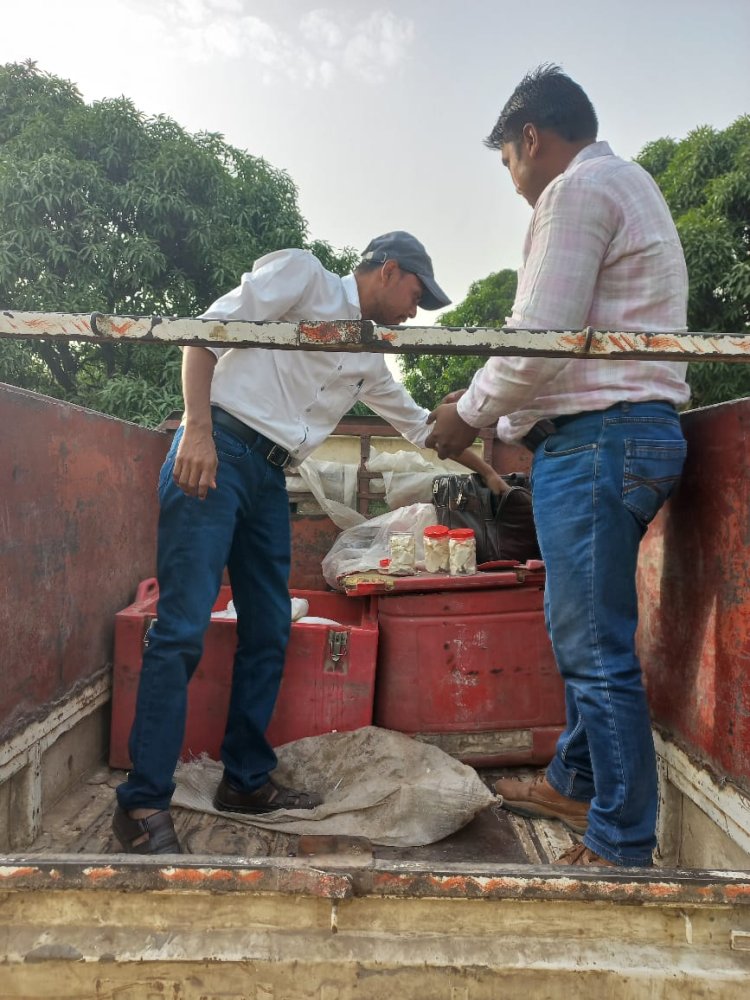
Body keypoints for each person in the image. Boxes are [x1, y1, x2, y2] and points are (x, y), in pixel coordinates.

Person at [112, 231, 459, 854]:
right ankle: (141, 805)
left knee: (270, 628)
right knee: (182, 629)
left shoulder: (368, 358)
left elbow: (424, 428)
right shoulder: (304, 278)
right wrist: (195, 430)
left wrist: (478, 416)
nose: (416, 310)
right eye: (416, 293)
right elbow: (205, 333)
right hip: (216, 448)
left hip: (270, 475)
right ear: (387, 270)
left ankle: (244, 779)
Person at [425, 65, 690, 868]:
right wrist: (495, 411)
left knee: (594, 647)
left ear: (531, 138)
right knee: (574, 629)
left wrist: (467, 414)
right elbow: (557, 348)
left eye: (509, 161)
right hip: (615, 435)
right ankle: (574, 778)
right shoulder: (623, 183)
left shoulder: (574, 193)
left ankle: (620, 844)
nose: (514, 181)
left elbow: (538, 335)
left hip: (600, 438)